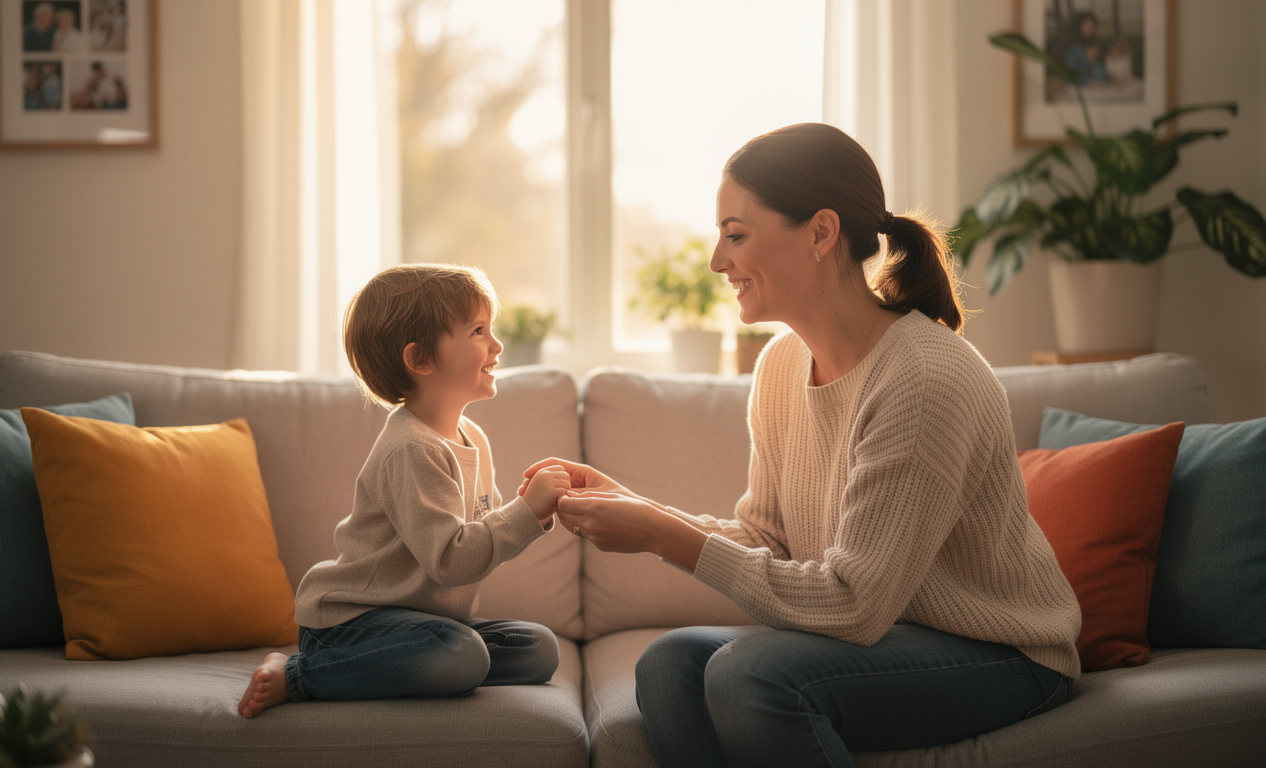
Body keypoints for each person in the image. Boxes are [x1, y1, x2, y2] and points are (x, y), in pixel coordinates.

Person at [523, 123, 1082, 767]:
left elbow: (855, 605)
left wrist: (658, 535)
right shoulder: (783, 365)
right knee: (669, 665)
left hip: (1002, 653)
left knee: (750, 675)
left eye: (736, 235)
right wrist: (644, 509)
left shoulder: (924, 378)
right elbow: (771, 542)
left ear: (821, 233)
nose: (717, 261)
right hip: (895, 637)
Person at [239, 264, 571, 718]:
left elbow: (485, 541)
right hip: (351, 622)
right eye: (477, 331)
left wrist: (530, 509)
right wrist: (523, 515)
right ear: (420, 360)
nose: (496, 345)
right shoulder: (410, 448)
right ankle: (300, 674)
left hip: (425, 622)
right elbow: (452, 561)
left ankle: (415, 666)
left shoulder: (473, 436)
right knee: (462, 655)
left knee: (538, 649)